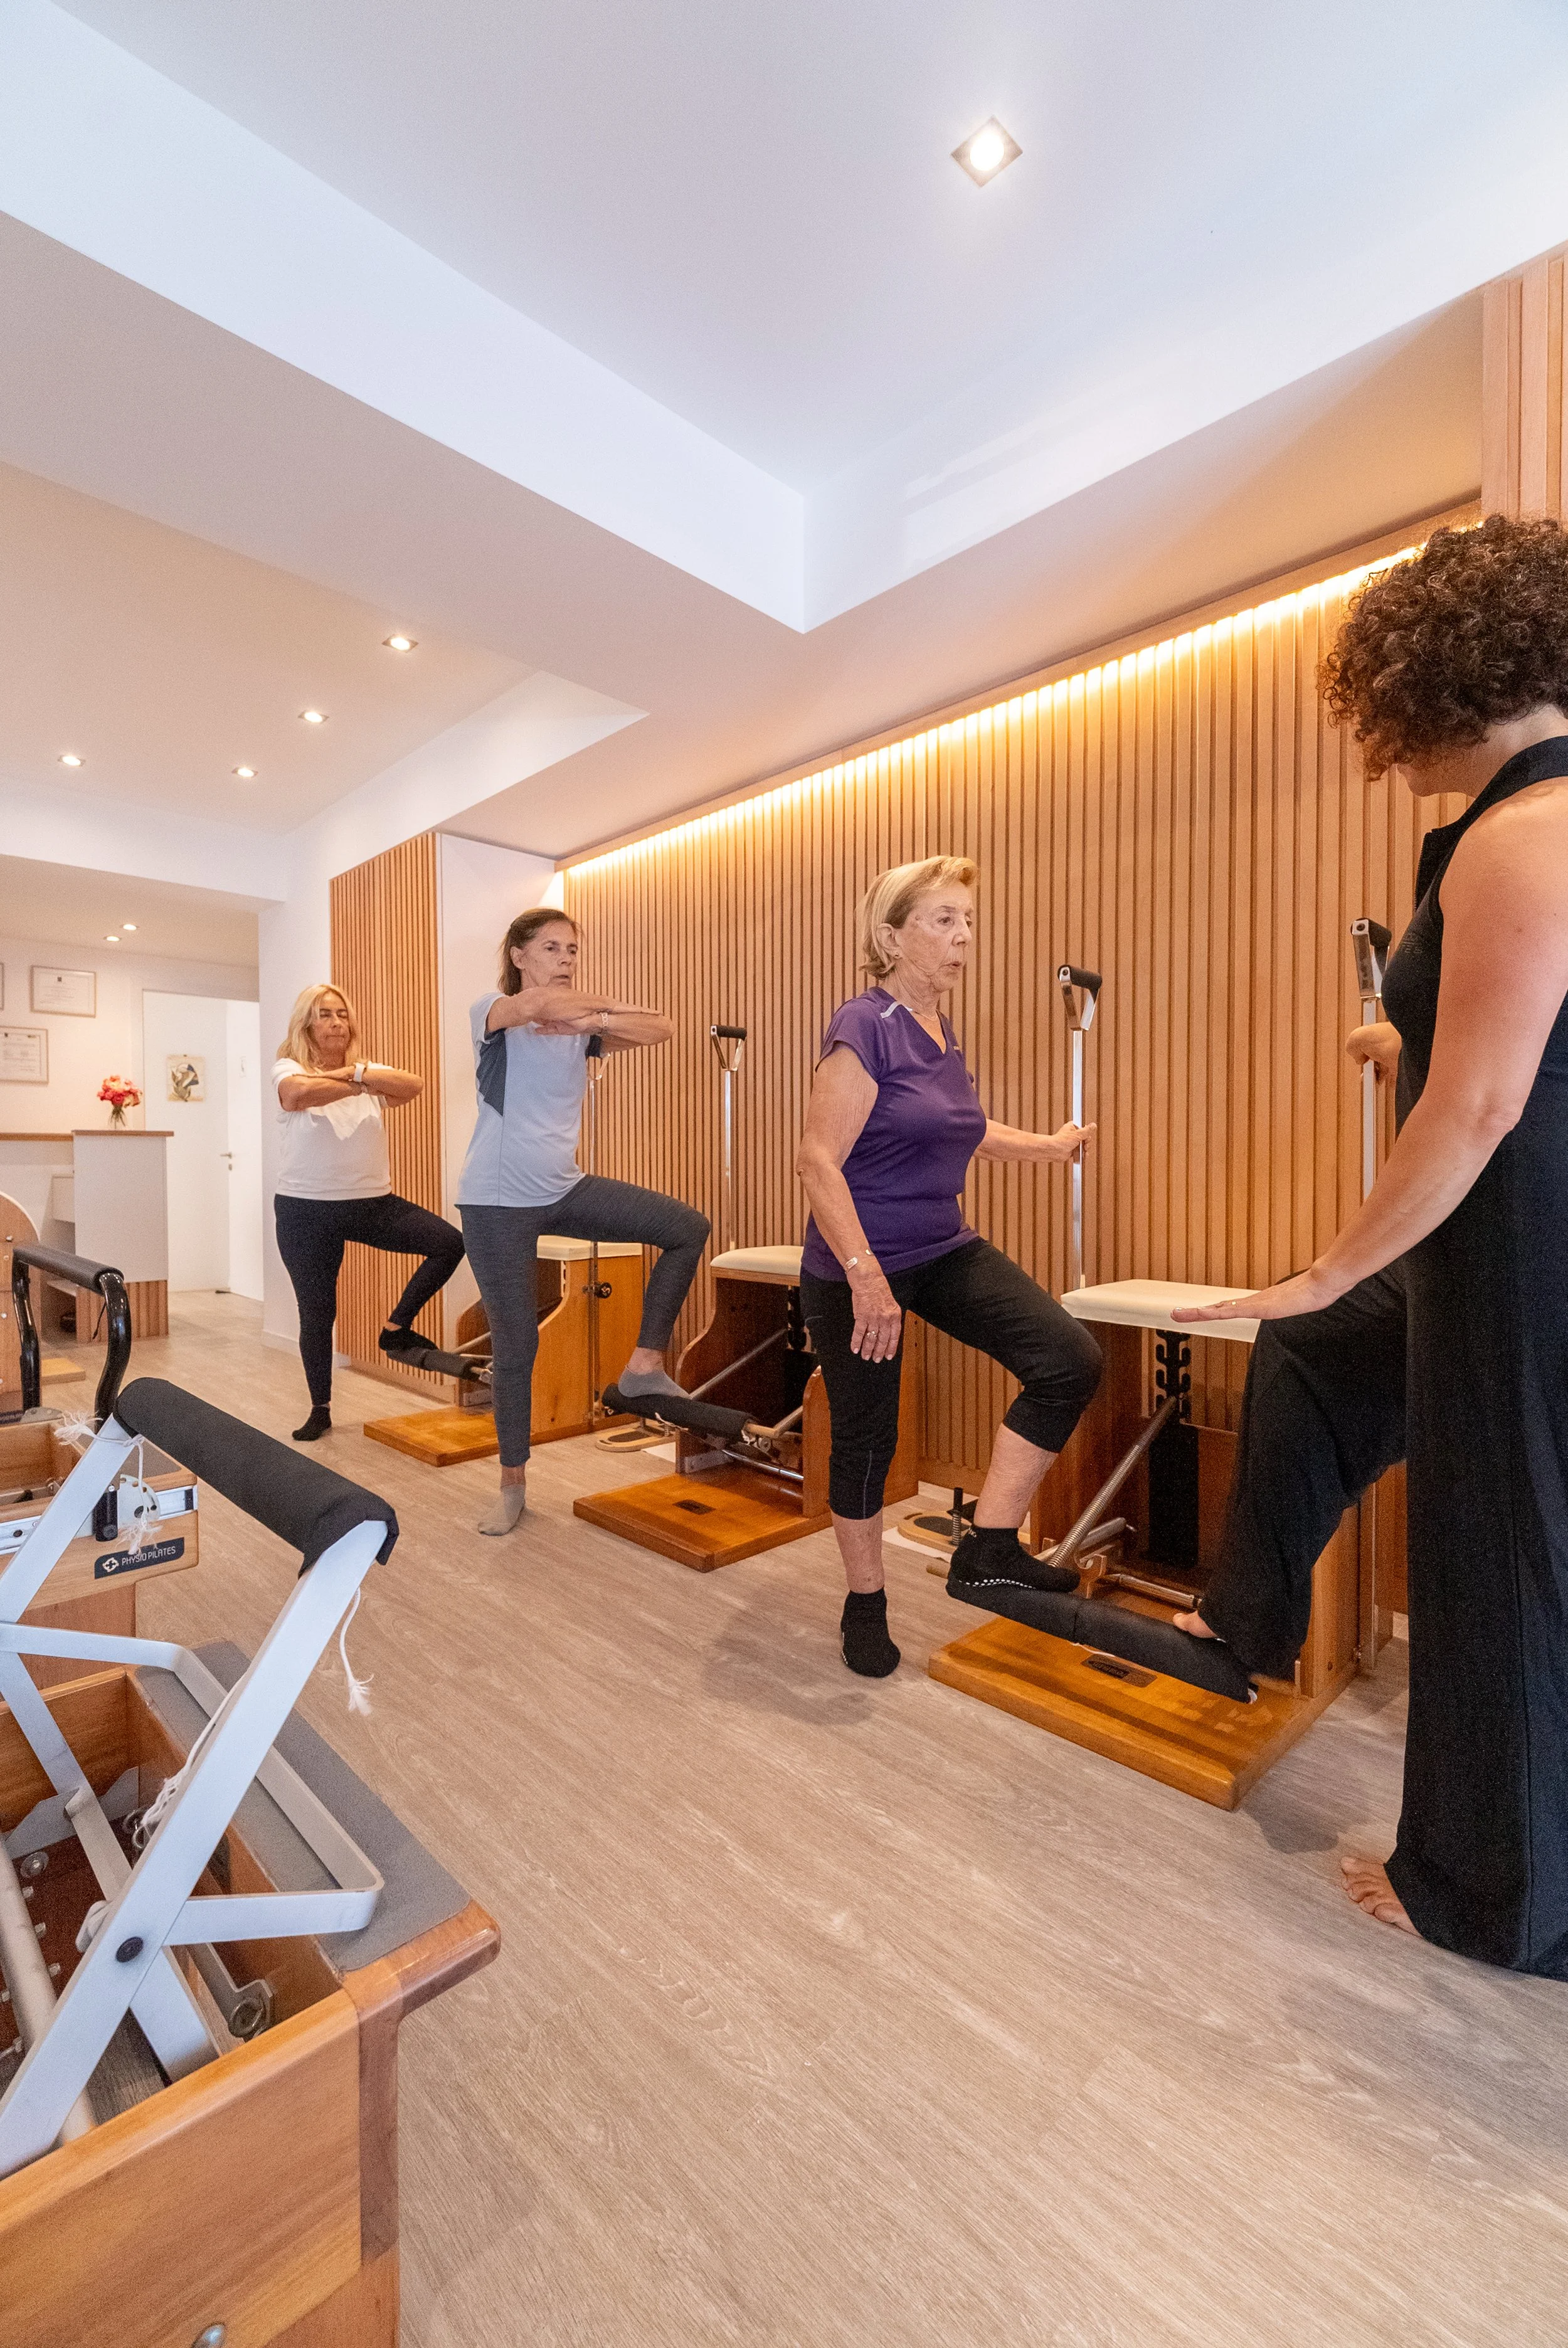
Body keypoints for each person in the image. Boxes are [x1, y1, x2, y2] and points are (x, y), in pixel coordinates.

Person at [1175, 514, 1568, 1977]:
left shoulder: (1528, 831)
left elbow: (1475, 1107)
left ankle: (1490, 1892)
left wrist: (1329, 1258)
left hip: (1517, 1240)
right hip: (1507, 1225)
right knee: (1324, 1363)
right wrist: (1397, 1024)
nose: (1383, 745)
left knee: (1500, 1541)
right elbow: (1494, 1038)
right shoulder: (1521, 824)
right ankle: (1244, 1624)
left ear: (1441, 678)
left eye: (1387, 713)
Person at [795, 855, 1103, 1678]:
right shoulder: (862, 1026)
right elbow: (818, 1160)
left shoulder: (940, 1029)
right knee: (869, 1437)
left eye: (967, 920)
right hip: (854, 1266)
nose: (964, 936)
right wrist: (864, 1277)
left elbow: (959, 1123)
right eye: (942, 920)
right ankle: (865, 1601)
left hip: (939, 1250)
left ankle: (990, 1548)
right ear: (890, 937)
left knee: (1067, 1358)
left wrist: (1046, 1146)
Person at [455, 906, 709, 1536]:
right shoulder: (492, 1011)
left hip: (561, 1188)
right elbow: (526, 1010)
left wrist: (591, 1018)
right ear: (518, 956)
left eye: (572, 950)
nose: (566, 959)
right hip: (494, 1199)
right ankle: (512, 1482)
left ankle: (644, 1365)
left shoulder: (577, 1029)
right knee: (518, 1346)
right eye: (551, 948)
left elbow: (662, 1028)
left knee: (686, 1227)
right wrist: (575, 1010)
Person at [273, 983, 464, 1442]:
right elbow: (295, 1094)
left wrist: (357, 1073)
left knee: (449, 1243)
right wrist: (358, 1081)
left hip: (372, 1204)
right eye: (325, 1015)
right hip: (306, 1210)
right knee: (317, 1313)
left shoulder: (368, 1070)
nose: (337, 1022)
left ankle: (396, 1329)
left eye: (342, 1014)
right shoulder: (289, 1066)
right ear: (307, 1024)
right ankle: (320, 1409)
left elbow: (413, 1085)